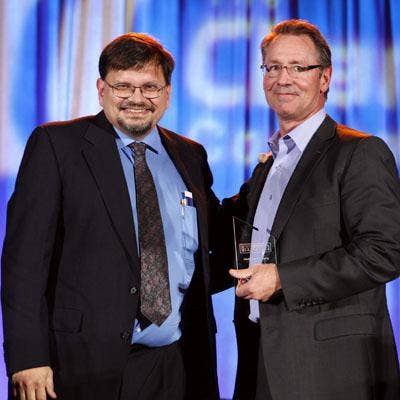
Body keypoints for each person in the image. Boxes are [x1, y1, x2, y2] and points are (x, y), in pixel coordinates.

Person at [2, 33, 221, 400]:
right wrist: (28, 357)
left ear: (167, 93)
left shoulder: (190, 155)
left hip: (173, 362)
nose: (137, 98)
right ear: (101, 89)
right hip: (79, 364)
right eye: (123, 86)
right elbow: (23, 263)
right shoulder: (57, 146)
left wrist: (269, 177)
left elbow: (214, 238)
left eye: (150, 87)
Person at [225, 19, 400, 400]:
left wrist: (283, 279)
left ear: (325, 78)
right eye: (273, 67)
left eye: (298, 67)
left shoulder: (359, 152)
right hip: (261, 358)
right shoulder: (270, 165)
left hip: (330, 369)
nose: (283, 79)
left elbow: (384, 251)